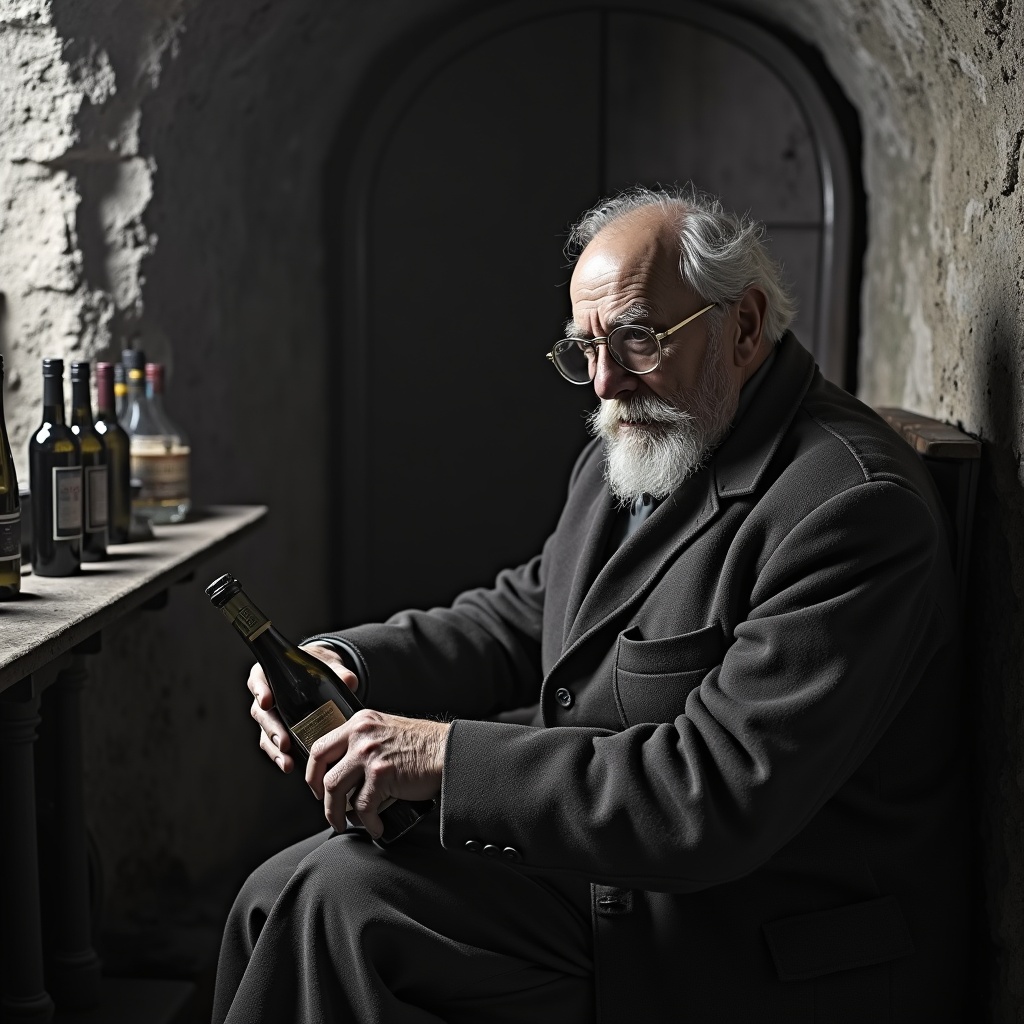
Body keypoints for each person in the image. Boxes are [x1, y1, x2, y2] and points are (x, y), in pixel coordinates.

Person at [212, 186, 970, 1023]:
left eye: (639, 338)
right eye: (585, 350)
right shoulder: (654, 433)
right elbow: (527, 612)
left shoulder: (851, 508)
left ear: (745, 326)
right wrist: (346, 661)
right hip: (618, 876)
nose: (606, 382)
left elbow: (709, 797)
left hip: (747, 930)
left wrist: (442, 758)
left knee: (337, 903)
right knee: (276, 891)